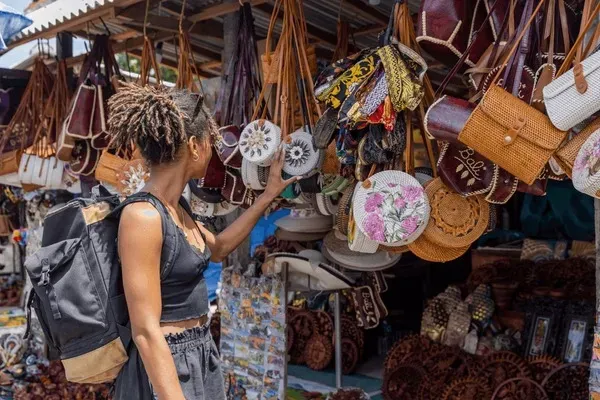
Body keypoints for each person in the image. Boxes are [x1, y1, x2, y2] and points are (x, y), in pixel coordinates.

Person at [109, 83, 298, 400]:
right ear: (195, 146)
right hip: (163, 366)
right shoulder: (142, 216)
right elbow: (145, 330)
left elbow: (220, 247)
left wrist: (266, 197)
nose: (213, 150)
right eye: (211, 141)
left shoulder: (176, 209)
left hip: (198, 352)